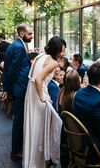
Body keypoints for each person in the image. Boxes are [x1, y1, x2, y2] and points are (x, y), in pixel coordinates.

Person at [23, 36, 66, 168]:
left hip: (30, 93)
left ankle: (32, 161)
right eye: (63, 50)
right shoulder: (53, 62)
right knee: (40, 130)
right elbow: (38, 79)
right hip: (39, 94)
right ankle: (37, 162)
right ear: (57, 50)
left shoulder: (40, 56)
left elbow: (33, 77)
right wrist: (43, 97)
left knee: (32, 128)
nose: (64, 53)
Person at [2, 23, 33, 159]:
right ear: (22, 34)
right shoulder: (19, 47)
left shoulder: (15, 45)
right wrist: (8, 89)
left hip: (16, 88)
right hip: (19, 89)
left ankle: (17, 149)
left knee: (18, 119)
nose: (31, 36)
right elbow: (13, 70)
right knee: (19, 120)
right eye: (30, 34)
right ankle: (16, 150)